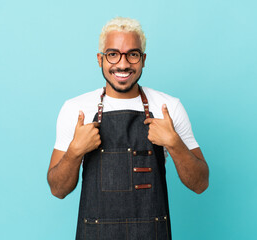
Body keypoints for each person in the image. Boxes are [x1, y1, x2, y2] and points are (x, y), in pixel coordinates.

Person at [47, 17, 209, 240]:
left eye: (132, 54)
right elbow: (58, 190)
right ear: (100, 59)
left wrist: (174, 143)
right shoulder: (75, 109)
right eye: (113, 54)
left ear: (143, 59)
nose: (122, 64)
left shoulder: (169, 107)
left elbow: (200, 184)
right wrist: (75, 151)